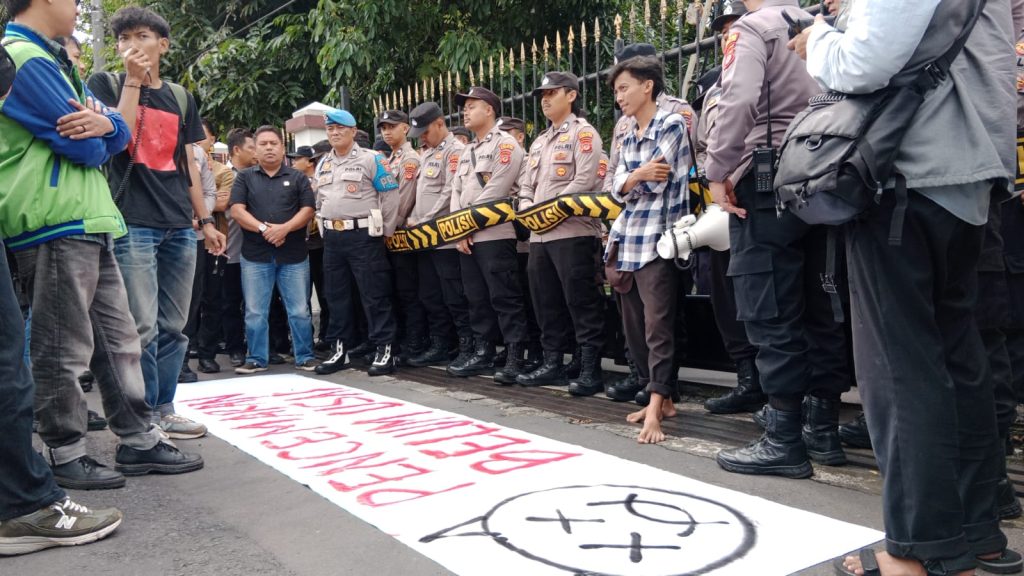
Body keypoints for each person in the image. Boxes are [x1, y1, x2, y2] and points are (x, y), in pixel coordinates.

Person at [793, 0, 1021, 574]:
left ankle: (917, 551)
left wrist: (819, 36)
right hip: (963, 177)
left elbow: (865, 62)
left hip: (908, 173)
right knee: (958, 361)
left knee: (899, 369)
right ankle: (975, 535)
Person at [0, 0, 203, 487]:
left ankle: (138, 439)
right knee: (61, 346)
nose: (75, 6)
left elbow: (111, 135)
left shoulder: (51, 60)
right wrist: (106, 129)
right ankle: (66, 451)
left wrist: (106, 127)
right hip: (52, 216)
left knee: (121, 342)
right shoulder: (20, 57)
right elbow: (86, 145)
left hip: (91, 216)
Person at [88, 6, 225, 439]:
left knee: (174, 326)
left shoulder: (181, 96)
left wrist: (205, 220)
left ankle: (165, 407)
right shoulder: (105, 84)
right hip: (132, 223)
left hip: (178, 225)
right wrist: (132, 80)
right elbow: (116, 139)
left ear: (163, 44)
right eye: (124, 38)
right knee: (140, 327)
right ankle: (139, 416)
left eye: (143, 36)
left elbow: (185, 161)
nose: (133, 45)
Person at [603, 43, 696, 406]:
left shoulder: (672, 123)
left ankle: (661, 396)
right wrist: (632, 178)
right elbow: (618, 187)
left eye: (624, 88)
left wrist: (632, 178)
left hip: (659, 236)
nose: (619, 97)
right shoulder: (627, 132)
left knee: (659, 324)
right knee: (633, 325)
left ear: (648, 86)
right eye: (615, 91)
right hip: (627, 237)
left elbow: (656, 180)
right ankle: (652, 389)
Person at [694, 3, 765, 416]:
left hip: (756, 193)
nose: (728, 35)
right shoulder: (711, 85)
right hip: (719, 202)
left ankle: (778, 387)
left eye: (735, 25)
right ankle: (746, 379)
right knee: (724, 293)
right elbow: (703, 145)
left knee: (761, 293)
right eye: (723, 29)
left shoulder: (774, 64)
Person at [516, 72, 606, 396]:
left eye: (552, 93)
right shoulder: (539, 141)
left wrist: (546, 212)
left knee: (581, 302)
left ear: (571, 95)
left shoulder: (584, 134)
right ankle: (552, 362)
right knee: (546, 302)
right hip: (539, 237)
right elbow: (526, 185)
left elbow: (583, 181)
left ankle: (590, 368)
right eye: (542, 94)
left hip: (573, 233)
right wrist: (529, 208)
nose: (545, 99)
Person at [448, 87, 530, 384]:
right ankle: (483, 351)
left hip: (495, 233)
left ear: (490, 110)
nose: (465, 112)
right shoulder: (468, 149)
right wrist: (460, 227)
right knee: (476, 298)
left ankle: (515, 355)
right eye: (464, 107)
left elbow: (497, 189)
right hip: (468, 236)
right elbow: (456, 191)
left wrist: (468, 223)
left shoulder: (505, 144)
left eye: (472, 106)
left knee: (504, 296)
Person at [313, 109, 400, 376]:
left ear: (353, 131)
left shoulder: (372, 159)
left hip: (364, 235)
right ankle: (340, 349)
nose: (335, 133)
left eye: (340, 128)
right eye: (330, 129)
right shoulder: (323, 163)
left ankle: (385, 349)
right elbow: (319, 200)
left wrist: (385, 231)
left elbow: (390, 195)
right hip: (333, 237)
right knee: (336, 295)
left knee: (374, 294)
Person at [229, 126, 317, 374]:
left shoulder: (298, 177)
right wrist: (264, 229)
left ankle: (305, 355)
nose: (269, 147)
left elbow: (308, 210)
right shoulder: (245, 177)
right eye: (263, 144)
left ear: (282, 148)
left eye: (274, 143)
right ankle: (256, 357)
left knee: (299, 310)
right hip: (256, 255)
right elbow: (237, 210)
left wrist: (285, 229)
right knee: (255, 311)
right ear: (255, 149)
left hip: (293, 255)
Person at [405, 101, 472, 368]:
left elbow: (449, 192)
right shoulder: (427, 153)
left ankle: (465, 344)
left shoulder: (455, 151)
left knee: (454, 295)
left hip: (443, 235)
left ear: (440, 124)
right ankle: (441, 344)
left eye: (425, 131)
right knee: (430, 294)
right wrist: (412, 218)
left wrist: (425, 219)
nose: (422, 137)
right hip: (425, 237)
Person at [378, 109, 428, 364]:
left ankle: (415, 342)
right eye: (383, 128)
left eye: (392, 126)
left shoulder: (410, 160)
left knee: (409, 292)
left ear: (405, 128)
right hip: (390, 233)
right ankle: (404, 341)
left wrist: (389, 228)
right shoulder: (390, 159)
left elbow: (404, 201)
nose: (386, 132)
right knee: (396, 291)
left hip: (401, 235)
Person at [180, 118, 219, 383]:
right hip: (156, 233)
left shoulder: (196, 154)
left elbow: (208, 190)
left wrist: (201, 218)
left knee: (190, 301)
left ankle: (180, 362)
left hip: (192, 238)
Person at [193, 119, 233, 374]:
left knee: (212, 298)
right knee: (188, 301)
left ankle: (207, 353)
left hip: (214, 241)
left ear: (212, 140)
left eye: (202, 137)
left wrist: (198, 217)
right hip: (186, 239)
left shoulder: (222, 171)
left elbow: (220, 204)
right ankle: (185, 351)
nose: (197, 141)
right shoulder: (180, 162)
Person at [219, 128, 257, 369]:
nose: (256, 152)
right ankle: (235, 348)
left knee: (257, 304)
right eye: (252, 148)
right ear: (236, 150)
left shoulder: (258, 175)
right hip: (230, 249)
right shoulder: (223, 176)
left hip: (256, 252)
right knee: (230, 302)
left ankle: (262, 347)